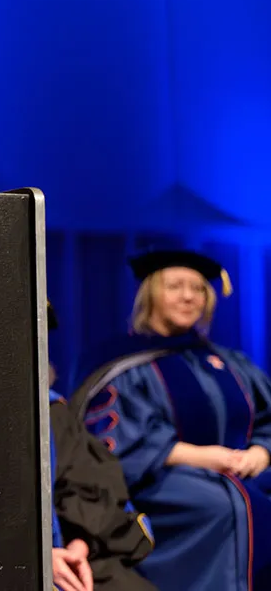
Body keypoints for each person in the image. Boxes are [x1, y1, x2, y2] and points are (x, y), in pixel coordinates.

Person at [72, 250, 271, 591]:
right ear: (151, 294)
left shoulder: (229, 361)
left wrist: (261, 453)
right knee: (219, 504)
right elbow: (117, 443)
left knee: (242, 497)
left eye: (197, 288)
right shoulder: (122, 363)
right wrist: (204, 457)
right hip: (158, 478)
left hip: (243, 471)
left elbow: (266, 420)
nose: (188, 295)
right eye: (175, 286)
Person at [46, 302, 156, 591]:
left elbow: (85, 480)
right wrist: (39, 554)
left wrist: (79, 546)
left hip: (72, 554)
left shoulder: (52, 410)